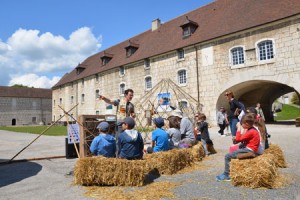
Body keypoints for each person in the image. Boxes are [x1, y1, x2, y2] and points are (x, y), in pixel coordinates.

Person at [216, 113, 260, 181]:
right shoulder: (252, 129)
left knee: (227, 156)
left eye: (242, 123)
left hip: (249, 150)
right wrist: (237, 137)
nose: (241, 125)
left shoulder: (251, 131)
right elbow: (241, 138)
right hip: (250, 148)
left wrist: (238, 128)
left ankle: (226, 175)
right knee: (233, 149)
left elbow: (238, 139)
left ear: (246, 124)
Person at [99, 89, 135, 156]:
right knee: (118, 141)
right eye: (130, 95)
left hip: (127, 125)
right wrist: (104, 98)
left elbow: (133, 113)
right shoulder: (119, 102)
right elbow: (110, 101)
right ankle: (118, 156)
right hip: (120, 125)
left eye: (132, 95)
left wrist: (133, 115)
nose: (131, 97)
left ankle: (125, 154)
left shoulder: (131, 105)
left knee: (127, 140)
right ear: (126, 95)